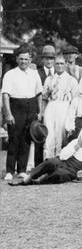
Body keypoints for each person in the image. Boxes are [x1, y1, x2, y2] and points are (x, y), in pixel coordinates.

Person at [11, 122, 82, 185]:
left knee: (60, 174)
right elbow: (63, 156)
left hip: (77, 168)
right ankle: (27, 179)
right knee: (51, 162)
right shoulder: (77, 141)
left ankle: (39, 181)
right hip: (66, 160)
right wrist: (78, 146)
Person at [2, 47, 44, 179]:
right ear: (17, 59)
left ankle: (21, 169)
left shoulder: (34, 73)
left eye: (26, 59)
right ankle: (9, 170)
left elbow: (38, 94)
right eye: (21, 59)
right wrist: (8, 114)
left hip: (31, 106)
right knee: (14, 138)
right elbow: (5, 96)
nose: (23, 61)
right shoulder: (10, 74)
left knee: (26, 139)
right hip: (16, 106)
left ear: (30, 59)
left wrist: (40, 111)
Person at [41, 54, 81, 158]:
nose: (59, 66)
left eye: (62, 63)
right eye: (57, 63)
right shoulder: (49, 79)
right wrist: (42, 112)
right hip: (51, 106)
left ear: (66, 64)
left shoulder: (71, 80)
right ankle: (47, 161)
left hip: (64, 107)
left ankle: (59, 161)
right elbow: (44, 98)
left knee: (60, 137)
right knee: (49, 136)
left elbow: (75, 99)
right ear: (54, 64)